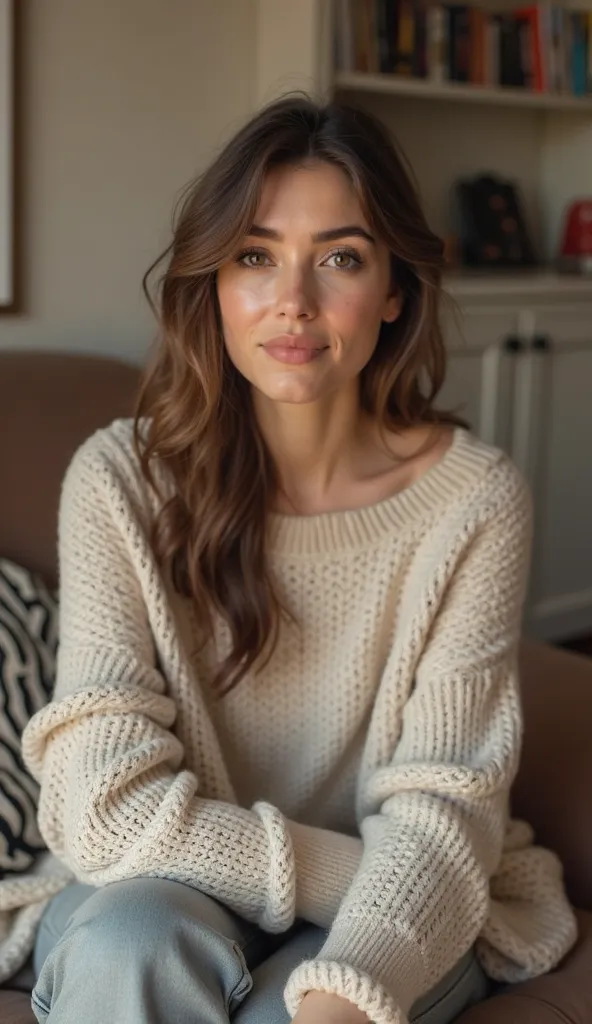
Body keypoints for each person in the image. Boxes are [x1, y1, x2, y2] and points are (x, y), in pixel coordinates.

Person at [20, 95, 576, 1024]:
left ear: (394, 289)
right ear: (214, 284)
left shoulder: (475, 500)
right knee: (126, 948)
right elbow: (103, 803)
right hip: (181, 882)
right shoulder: (119, 480)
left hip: (393, 903)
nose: (294, 301)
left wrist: (359, 957)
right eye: (254, 255)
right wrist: (354, 873)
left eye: (342, 259)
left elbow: (444, 809)